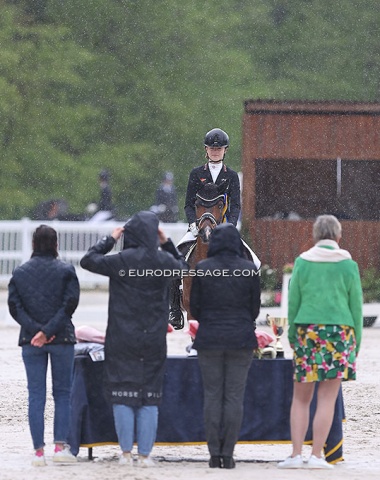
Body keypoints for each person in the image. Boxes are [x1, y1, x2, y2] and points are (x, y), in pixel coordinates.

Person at [80, 211, 188, 467]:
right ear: (153, 233)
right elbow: (183, 267)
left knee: (122, 393)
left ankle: (126, 453)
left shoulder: (120, 261)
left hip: (121, 337)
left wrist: (110, 239)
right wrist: (166, 242)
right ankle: (145, 454)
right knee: (149, 396)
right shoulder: (163, 262)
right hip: (152, 338)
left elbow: (88, 260)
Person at [278, 215, 363, 470]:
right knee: (327, 399)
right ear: (338, 236)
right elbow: (356, 308)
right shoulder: (348, 265)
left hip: (308, 331)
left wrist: (292, 336)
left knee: (301, 398)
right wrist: (355, 345)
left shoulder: (303, 263)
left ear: (314, 236)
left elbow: (293, 303)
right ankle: (317, 456)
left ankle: (295, 454)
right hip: (340, 334)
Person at [169, 127, 257, 329]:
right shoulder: (197, 174)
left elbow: (235, 205)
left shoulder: (231, 176)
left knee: (252, 262)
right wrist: (193, 223)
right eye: (212, 148)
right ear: (206, 150)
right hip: (198, 225)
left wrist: (230, 226)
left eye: (219, 149)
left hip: (224, 226)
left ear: (225, 150)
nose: (215, 151)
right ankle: (175, 309)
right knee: (174, 260)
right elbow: (188, 203)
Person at [189, 223, 261, 469]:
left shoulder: (203, 269)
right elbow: (254, 310)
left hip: (210, 338)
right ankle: (227, 455)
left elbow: (195, 309)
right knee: (233, 397)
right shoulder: (249, 270)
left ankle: (213, 454)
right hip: (240, 339)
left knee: (212, 396)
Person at [7, 225, 80, 466]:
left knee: (36, 395)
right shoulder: (66, 270)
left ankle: (38, 451)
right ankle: (60, 446)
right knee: (62, 394)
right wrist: (49, 330)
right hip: (61, 339)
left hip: (31, 340)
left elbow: (15, 308)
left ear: (33, 244)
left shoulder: (20, 273)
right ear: (56, 244)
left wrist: (37, 331)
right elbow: (69, 304)